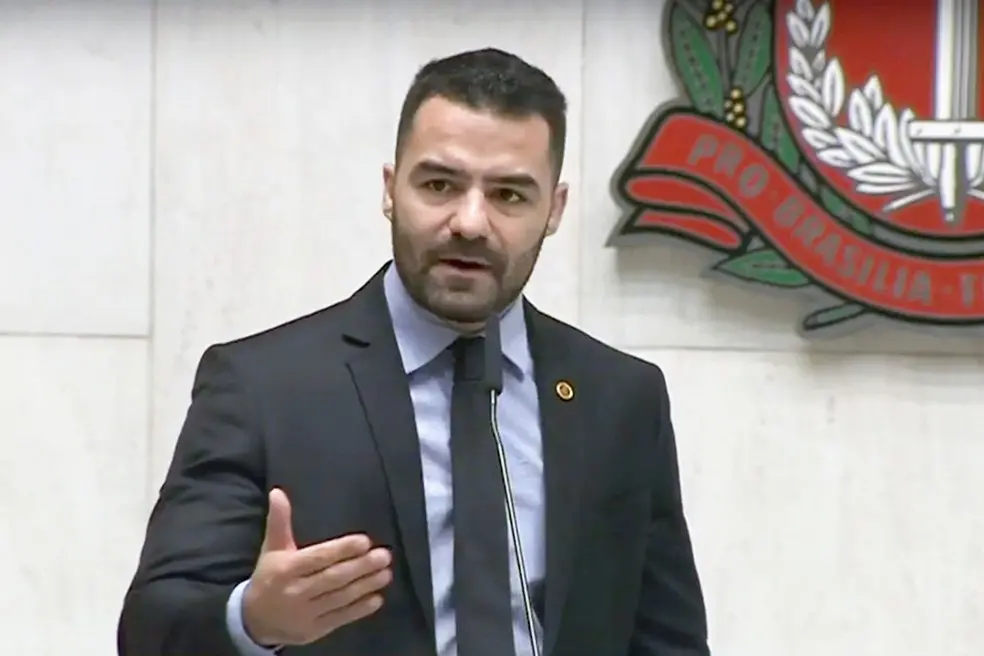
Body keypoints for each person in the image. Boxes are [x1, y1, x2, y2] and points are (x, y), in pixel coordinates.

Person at [117, 47, 710, 656]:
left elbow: (669, 639)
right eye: (439, 185)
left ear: (553, 210)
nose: (470, 223)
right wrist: (253, 621)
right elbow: (150, 628)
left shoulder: (620, 398)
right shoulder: (263, 386)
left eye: (509, 195)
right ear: (390, 190)